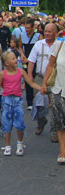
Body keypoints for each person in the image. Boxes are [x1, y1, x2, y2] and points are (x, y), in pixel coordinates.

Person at [0, 51, 41, 156]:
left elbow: (31, 83)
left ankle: (19, 143)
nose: (16, 60)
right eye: (13, 59)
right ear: (6, 63)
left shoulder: (21, 72)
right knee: (6, 123)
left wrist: (41, 89)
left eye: (16, 58)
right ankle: (7, 146)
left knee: (19, 123)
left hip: (17, 100)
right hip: (6, 100)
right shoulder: (2, 74)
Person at [28, 23, 59, 141]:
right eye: (45, 31)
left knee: (55, 106)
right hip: (40, 78)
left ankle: (54, 131)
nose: (47, 33)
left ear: (55, 33)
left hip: (55, 79)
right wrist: (30, 75)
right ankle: (41, 122)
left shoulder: (60, 45)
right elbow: (31, 60)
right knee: (39, 104)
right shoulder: (38, 44)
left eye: (50, 31)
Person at [41, 36, 65, 164]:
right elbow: (50, 65)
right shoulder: (59, 45)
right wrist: (44, 83)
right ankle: (62, 152)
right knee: (60, 123)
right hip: (59, 89)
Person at [21, 18, 42, 110]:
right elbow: (20, 47)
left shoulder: (38, 36)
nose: (26, 30)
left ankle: (39, 100)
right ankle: (29, 101)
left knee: (36, 79)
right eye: (25, 28)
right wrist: (22, 55)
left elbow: (40, 50)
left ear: (33, 27)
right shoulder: (22, 35)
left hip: (36, 60)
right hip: (26, 59)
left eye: (28, 28)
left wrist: (30, 60)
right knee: (28, 79)